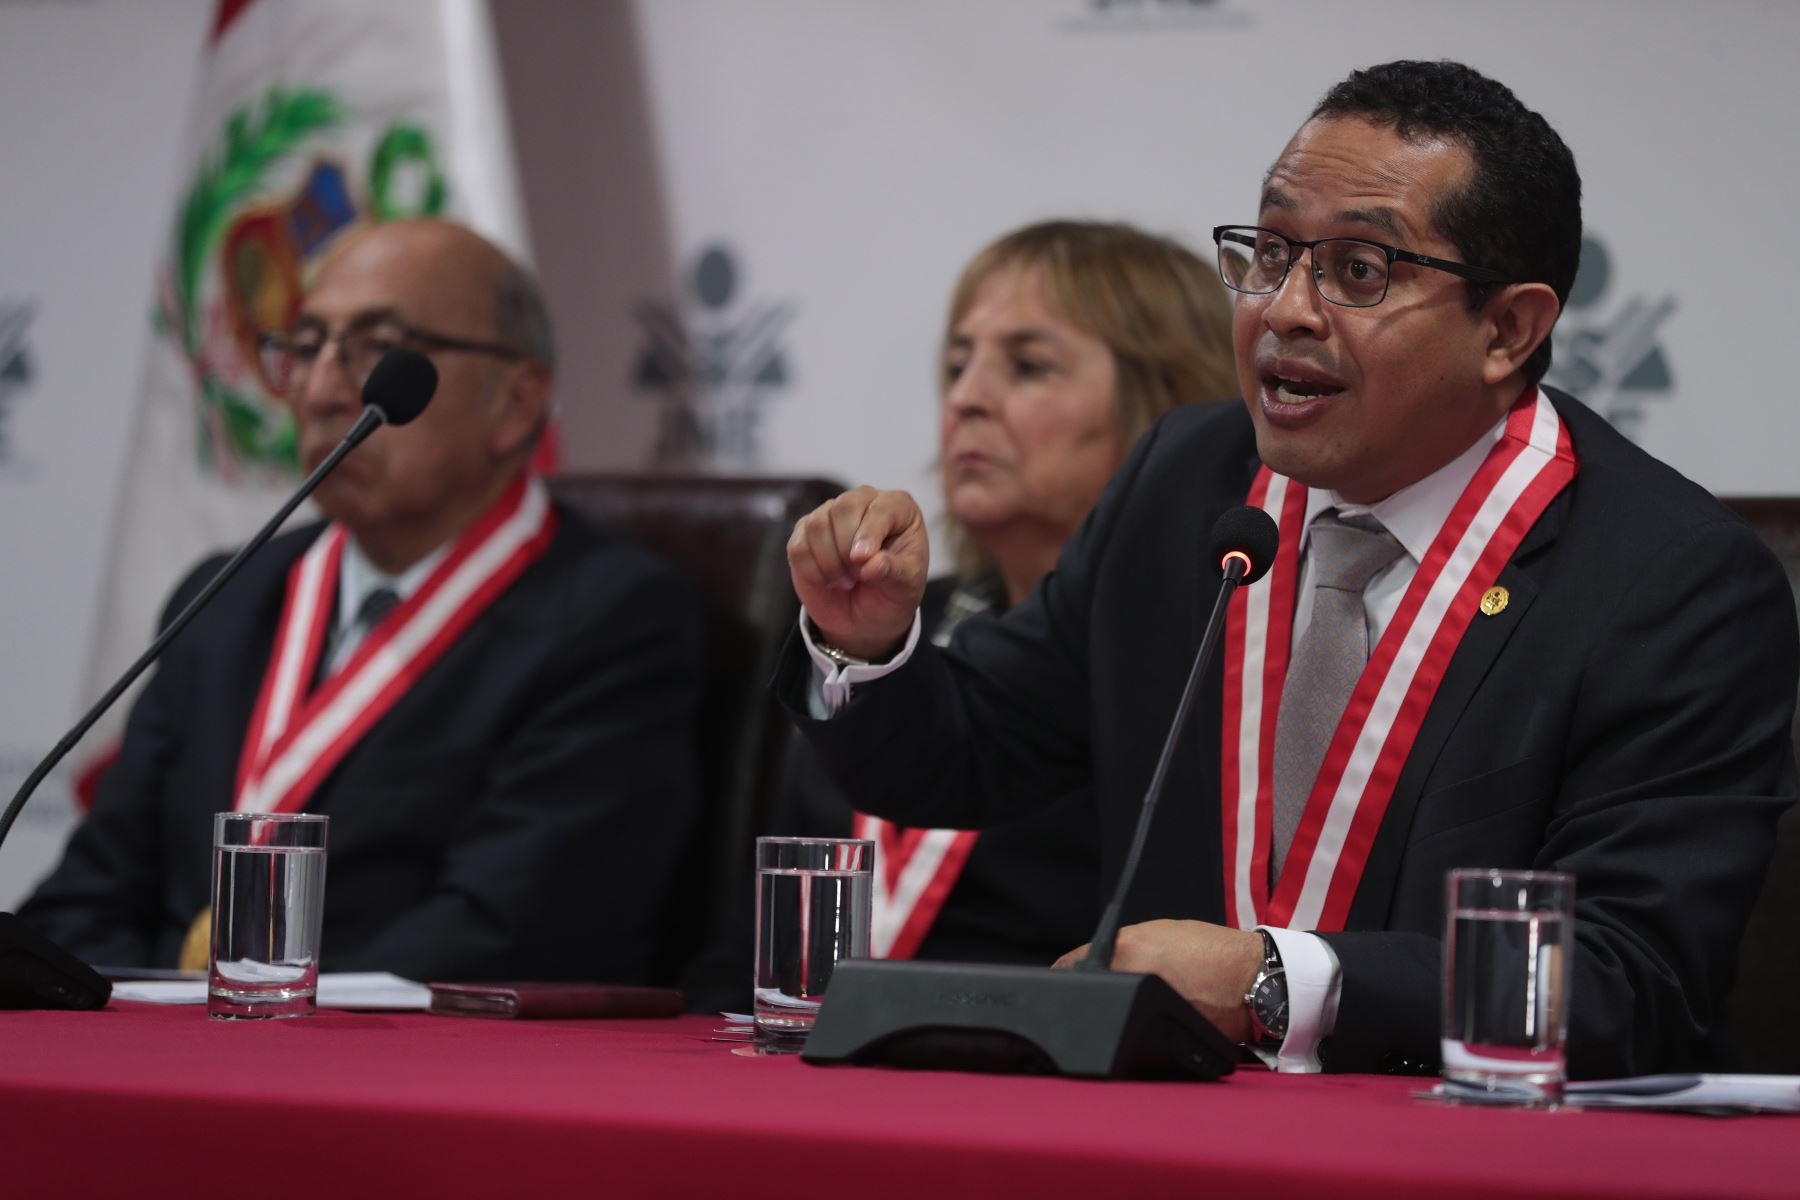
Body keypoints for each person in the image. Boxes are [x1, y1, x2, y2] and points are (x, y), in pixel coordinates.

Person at [777, 60, 1798, 1077]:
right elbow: (974, 750)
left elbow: (1633, 977)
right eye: (1270, 253)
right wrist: (865, 644)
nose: (1286, 309)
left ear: (1507, 329)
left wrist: (1272, 979)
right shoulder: (1184, 484)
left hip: (1468, 1153)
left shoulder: (1670, 585)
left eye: (1360, 270)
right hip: (1166, 1134)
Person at [22, 218, 703, 984]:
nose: (317, 392)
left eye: (377, 351)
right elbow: (87, 900)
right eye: (304, 348)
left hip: (399, 1081)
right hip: (165, 1062)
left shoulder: (611, 621)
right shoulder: (227, 595)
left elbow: (509, 933)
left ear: (515, 403)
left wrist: (253, 1020)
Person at [782, 220, 1236, 965]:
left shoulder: (1183, 658)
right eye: (958, 365)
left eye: (1028, 367)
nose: (966, 398)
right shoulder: (881, 631)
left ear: (1166, 406)